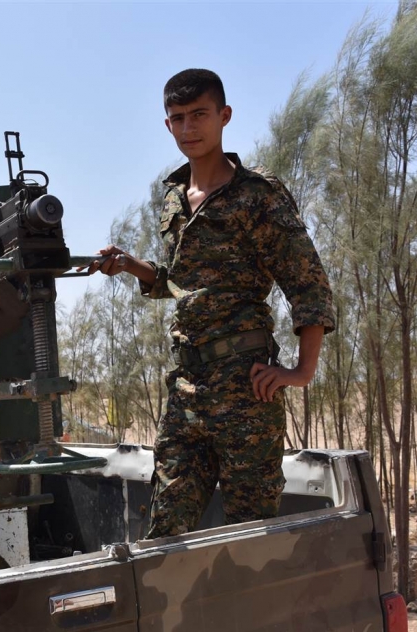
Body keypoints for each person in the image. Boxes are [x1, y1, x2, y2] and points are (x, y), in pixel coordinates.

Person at [81, 68, 335, 538]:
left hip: (246, 386)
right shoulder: (175, 198)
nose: (188, 128)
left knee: (249, 534)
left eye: (199, 115)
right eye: (177, 118)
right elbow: (182, 284)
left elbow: (309, 285)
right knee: (165, 531)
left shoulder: (258, 194)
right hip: (187, 386)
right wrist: (133, 265)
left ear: (224, 116)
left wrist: (302, 371)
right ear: (167, 126)